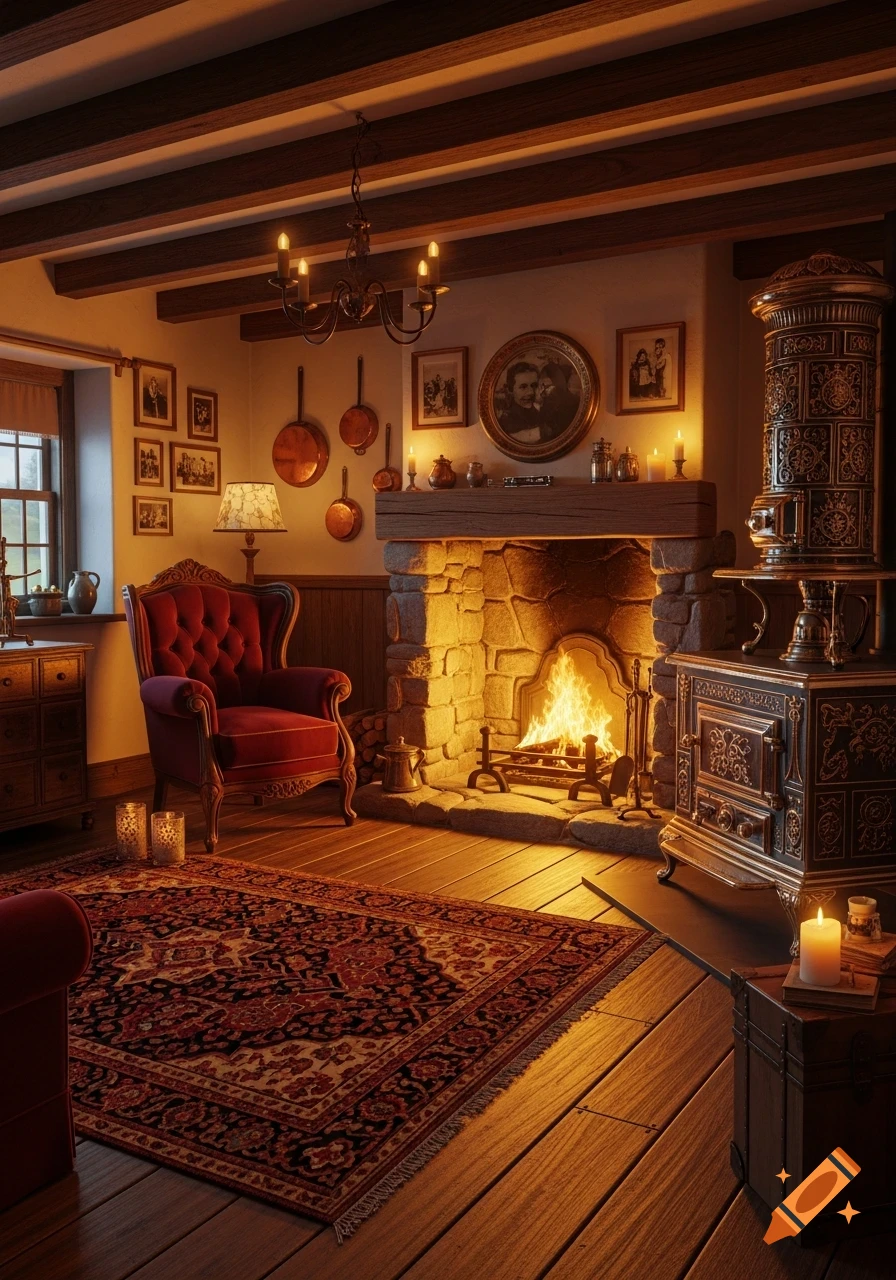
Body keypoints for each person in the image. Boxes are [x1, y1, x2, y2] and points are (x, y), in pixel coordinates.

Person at [498, 362, 542, 440]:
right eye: (523, 387)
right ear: (511, 389)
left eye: (534, 385)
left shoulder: (539, 412)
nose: (530, 392)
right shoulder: (507, 420)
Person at [536, 362, 579, 439]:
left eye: (545, 385)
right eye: (541, 385)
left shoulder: (555, 395)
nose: (542, 389)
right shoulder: (552, 395)